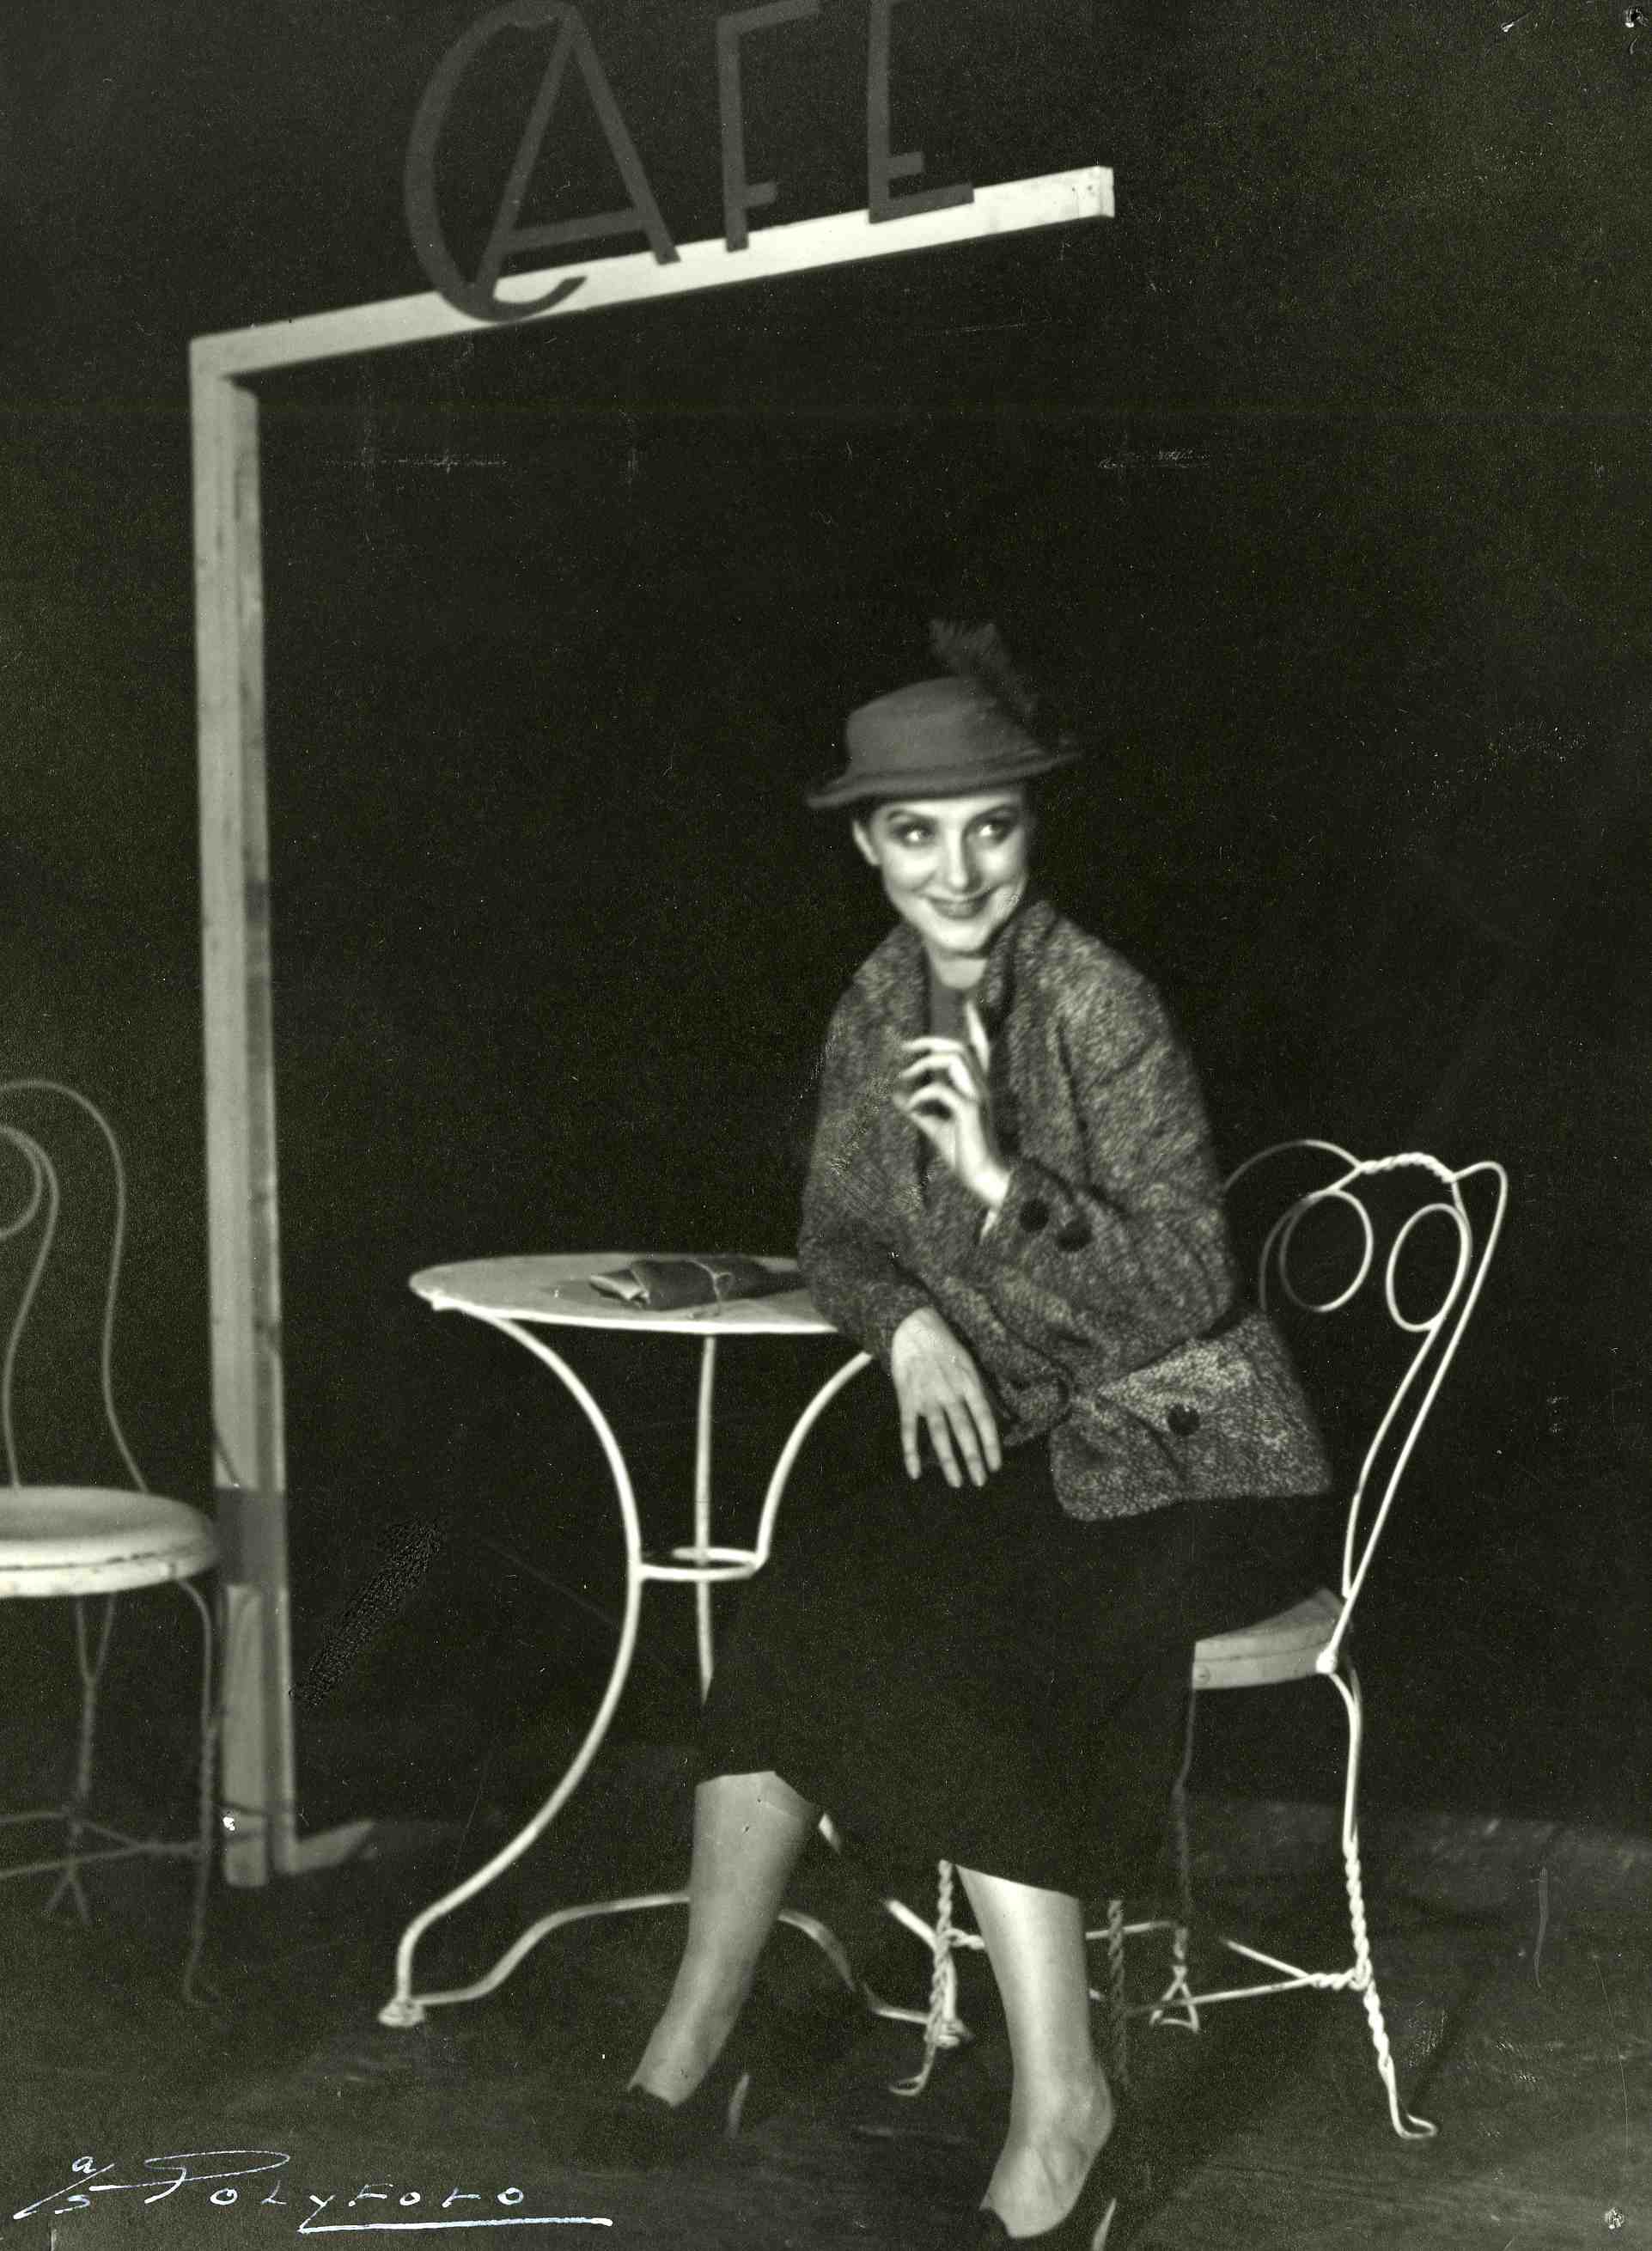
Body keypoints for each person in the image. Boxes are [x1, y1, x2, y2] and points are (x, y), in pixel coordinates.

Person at [588, 631, 1332, 2247]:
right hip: (1043, 1455)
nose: (959, 869)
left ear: (1029, 829)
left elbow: (1190, 1287)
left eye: (990, 826)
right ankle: (696, 2040)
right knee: (796, 1602)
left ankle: (1067, 2110)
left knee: (971, 1642)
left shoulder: (1100, 1003)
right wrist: (910, 1327)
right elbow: (842, 1238)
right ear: (869, 844)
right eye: (916, 833)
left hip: (1204, 1455)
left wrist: (1003, 1184)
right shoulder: (876, 1006)